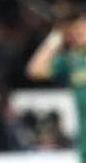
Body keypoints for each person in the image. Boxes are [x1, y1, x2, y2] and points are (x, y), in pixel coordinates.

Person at [26, 12, 86, 162]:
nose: (78, 31)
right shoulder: (72, 60)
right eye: (76, 28)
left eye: (83, 27)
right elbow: (34, 69)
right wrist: (56, 37)